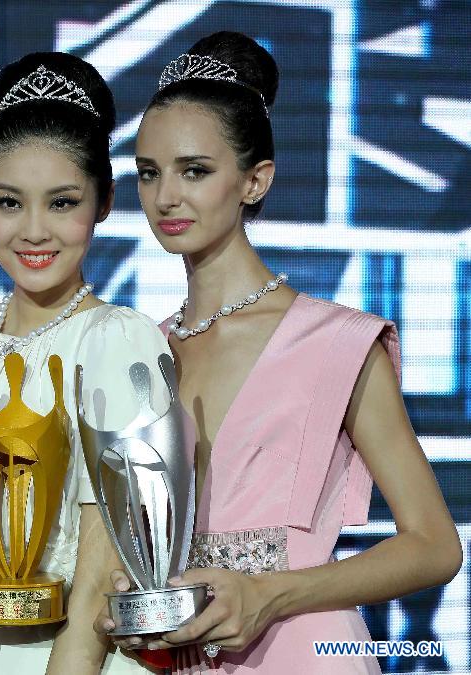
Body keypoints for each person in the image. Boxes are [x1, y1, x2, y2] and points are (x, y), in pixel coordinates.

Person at [94, 31, 462, 673]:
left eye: (195, 171)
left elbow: (434, 546)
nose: (166, 197)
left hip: (301, 649)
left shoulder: (336, 342)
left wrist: (268, 594)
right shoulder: (141, 348)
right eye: (148, 173)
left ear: (255, 181)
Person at [0, 52, 172, 674]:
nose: (34, 232)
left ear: (105, 200)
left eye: (62, 203)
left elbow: (102, 571)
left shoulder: (121, 340)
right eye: (9, 203)